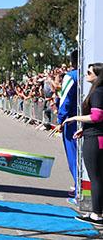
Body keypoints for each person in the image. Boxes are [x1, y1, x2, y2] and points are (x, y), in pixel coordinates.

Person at [62, 63, 103, 225]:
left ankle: (97, 214)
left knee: (96, 178)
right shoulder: (98, 91)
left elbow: (97, 117)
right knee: (98, 177)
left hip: (95, 140)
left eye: (88, 72)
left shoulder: (98, 93)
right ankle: (97, 212)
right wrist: (84, 130)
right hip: (93, 135)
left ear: (97, 76)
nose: (85, 75)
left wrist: (74, 118)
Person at [54, 50, 78, 200]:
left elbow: (65, 100)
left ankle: (79, 191)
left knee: (74, 157)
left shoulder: (71, 76)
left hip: (72, 121)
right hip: (89, 120)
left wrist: (60, 120)